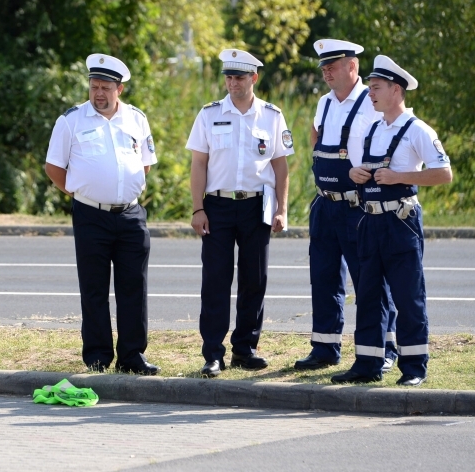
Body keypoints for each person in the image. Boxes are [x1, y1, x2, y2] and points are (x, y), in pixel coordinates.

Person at [332, 55, 453, 386]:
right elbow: (366, 170)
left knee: (407, 295)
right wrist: (356, 174)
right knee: (369, 294)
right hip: (370, 221)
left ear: (396, 90)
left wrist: (400, 176)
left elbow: (443, 174)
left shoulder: (418, 129)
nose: (370, 94)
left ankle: (414, 368)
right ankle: (367, 363)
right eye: (370, 88)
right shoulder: (374, 127)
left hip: (400, 221)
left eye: (376, 88)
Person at [45, 53, 159, 375]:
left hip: (131, 215)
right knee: (94, 289)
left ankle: (132, 357)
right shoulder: (71, 120)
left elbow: (145, 163)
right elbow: (53, 167)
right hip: (90, 216)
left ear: (119, 89)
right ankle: (97, 357)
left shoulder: (137, 119)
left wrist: (121, 188)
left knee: (133, 287)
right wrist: (83, 192)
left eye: (105, 87)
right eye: (94, 86)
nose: (98, 93)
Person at [187, 49, 292, 378]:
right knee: (216, 280)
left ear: (254, 78)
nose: (232, 83)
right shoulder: (209, 114)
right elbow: (199, 164)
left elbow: (280, 166)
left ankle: (245, 349)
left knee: (254, 280)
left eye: (239, 77)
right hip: (217, 205)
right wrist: (197, 208)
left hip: (256, 204)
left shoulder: (271, 116)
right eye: (229, 77)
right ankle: (213, 354)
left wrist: (282, 209)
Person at [295, 39, 399, 371]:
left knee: (370, 279)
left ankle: (384, 348)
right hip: (326, 205)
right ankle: (325, 348)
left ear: (352, 66)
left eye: (333, 65)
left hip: (359, 206)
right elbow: (315, 135)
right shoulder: (325, 102)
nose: (326, 71)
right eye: (323, 67)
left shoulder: (371, 101)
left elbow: (388, 140)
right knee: (324, 278)